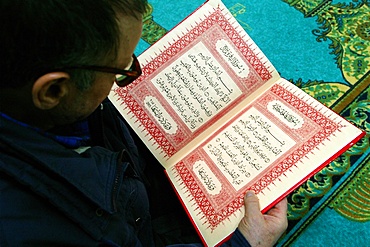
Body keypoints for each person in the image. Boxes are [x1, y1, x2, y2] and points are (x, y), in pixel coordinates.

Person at [0, 0, 288, 246]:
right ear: (53, 91)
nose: (126, 78)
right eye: (122, 69)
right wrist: (245, 243)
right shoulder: (58, 227)